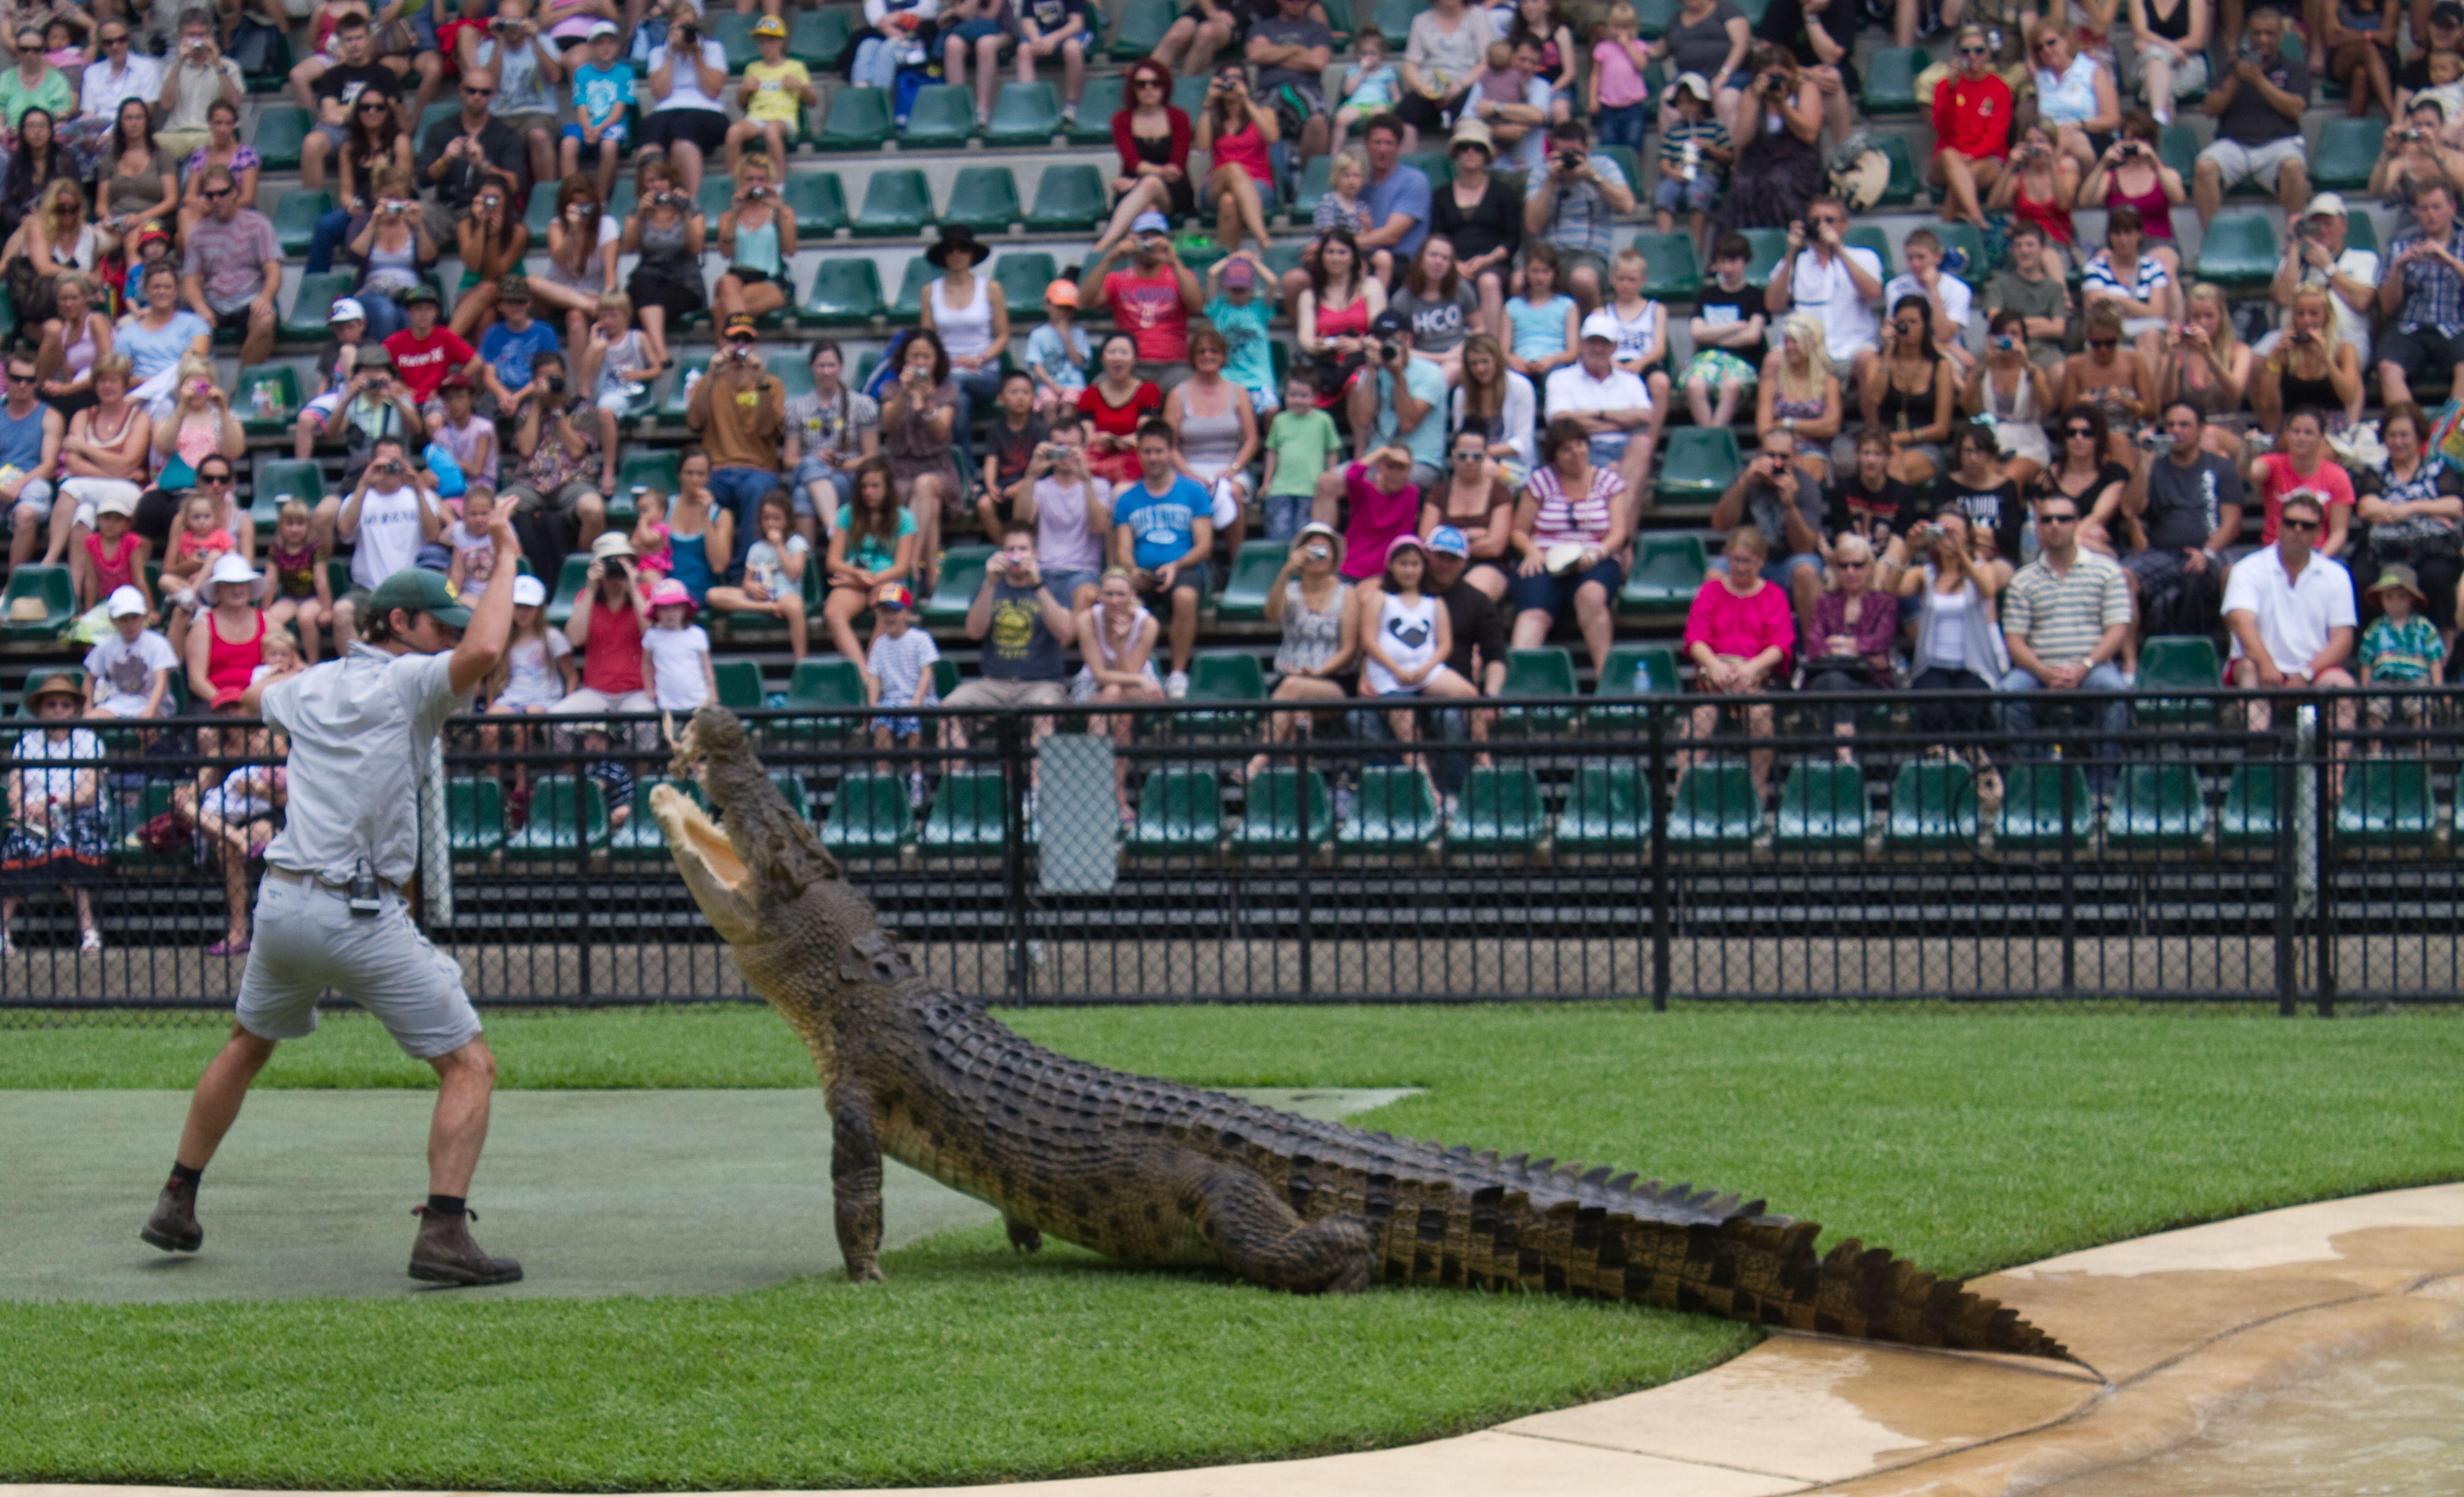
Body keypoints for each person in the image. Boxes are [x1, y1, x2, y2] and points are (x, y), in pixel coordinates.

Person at [146, 539, 524, 1283]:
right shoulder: (414, 681)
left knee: (246, 1045)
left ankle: (175, 1198)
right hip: (357, 911)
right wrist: (506, 553)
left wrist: (278, 674)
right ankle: (444, 1233)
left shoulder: (310, 688)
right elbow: (485, 646)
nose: (448, 633)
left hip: (283, 905)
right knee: (470, 1064)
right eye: (435, 622)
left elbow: (250, 697)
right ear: (399, 624)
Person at [1997, 493, 2133, 759]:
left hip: (2094, 668)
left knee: (2116, 693)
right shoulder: (2022, 580)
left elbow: (2117, 630)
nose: (2055, 525)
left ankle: (2102, 786)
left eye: (2064, 518)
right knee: (2006, 696)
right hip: (2038, 672)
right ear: (2038, 527)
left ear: (2077, 523)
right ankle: (2036, 775)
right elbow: (2014, 640)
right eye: (2047, 520)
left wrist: (2085, 667)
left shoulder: (2108, 571)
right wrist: (2044, 671)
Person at [2222, 492, 2357, 736]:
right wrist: (2267, 665)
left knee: (2344, 686)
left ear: (2318, 533)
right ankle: (2259, 757)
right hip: (2258, 665)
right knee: (2250, 670)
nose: (2297, 529)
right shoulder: (2248, 569)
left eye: (2307, 526)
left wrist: (2305, 674)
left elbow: (2343, 639)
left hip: (2315, 671)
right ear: (2278, 525)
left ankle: (2335, 773)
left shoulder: (2336, 575)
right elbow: (2242, 623)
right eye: (2290, 522)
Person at [1508, 415, 1631, 669]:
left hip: (1596, 556)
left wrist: (1595, 556)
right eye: (1566, 449)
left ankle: (1606, 680)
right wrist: (1531, 551)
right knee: (1533, 613)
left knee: (1591, 597)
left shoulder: (1608, 482)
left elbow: (1619, 533)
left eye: (1580, 445)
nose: (1576, 453)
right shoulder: (1541, 481)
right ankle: (1517, 684)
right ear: (1555, 455)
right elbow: (1519, 531)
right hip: (1545, 557)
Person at [0, 670, 106, 955]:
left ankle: (88, 930)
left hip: (78, 816)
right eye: (51, 705)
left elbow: (87, 794)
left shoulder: (88, 741)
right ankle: (3, 932)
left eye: (65, 705)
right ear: (40, 710)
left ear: (74, 709)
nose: (58, 710)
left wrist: (51, 803)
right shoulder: (27, 743)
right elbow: (14, 789)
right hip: (33, 820)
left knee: (64, 844)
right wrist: (22, 809)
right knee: (17, 846)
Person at [1681, 528, 1793, 794]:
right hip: (1716, 674)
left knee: (1760, 715)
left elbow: (1780, 645)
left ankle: (1758, 792)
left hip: (1759, 675)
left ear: (1760, 562)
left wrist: (1749, 670)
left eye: (1747, 561)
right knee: (1699, 721)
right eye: (1735, 560)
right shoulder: (1711, 592)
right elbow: (1695, 639)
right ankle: (1684, 792)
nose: (1740, 567)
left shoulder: (1774, 595)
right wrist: (1716, 667)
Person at [1358, 533, 1477, 782]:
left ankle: (1484, 759)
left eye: (1415, 564)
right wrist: (1395, 668)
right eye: (1403, 564)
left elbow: (1445, 644)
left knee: (1469, 694)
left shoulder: (1434, 602)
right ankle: (1428, 787)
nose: (1410, 570)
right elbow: (1368, 640)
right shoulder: (1381, 598)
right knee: (1407, 725)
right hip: (1389, 674)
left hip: (1426, 670)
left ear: (1424, 567)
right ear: (1391, 566)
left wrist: (1427, 668)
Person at [2121, 399, 2242, 635]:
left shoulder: (2221, 467)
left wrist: (2207, 553)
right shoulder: (2155, 466)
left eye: (2184, 425)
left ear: (2201, 430)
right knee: (2123, 577)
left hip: (2213, 551)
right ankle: (2130, 665)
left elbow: (2232, 523)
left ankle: (2232, 655)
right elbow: (2130, 509)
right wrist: (2146, 462)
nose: (2176, 431)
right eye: (2170, 425)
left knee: (2236, 575)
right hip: (2164, 554)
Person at [1112, 419, 1214, 697]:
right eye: (1148, 451)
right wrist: (1133, 571)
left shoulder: (1193, 491)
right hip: (1143, 572)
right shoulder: (1127, 499)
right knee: (1117, 598)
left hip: (1185, 568)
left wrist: (1176, 565)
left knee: (1184, 597)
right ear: (1139, 454)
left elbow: (1204, 546)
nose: (1154, 458)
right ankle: (1133, 671)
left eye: (1159, 451)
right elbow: (1123, 549)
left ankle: (1178, 673)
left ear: (1171, 452)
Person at [1248, 521, 1357, 778]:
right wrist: (1286, 572)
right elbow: (1271, 613)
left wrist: (1317, 673)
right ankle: (1304, 781)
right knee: (1300, 714)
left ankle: (1259, 760)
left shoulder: (1347, 593)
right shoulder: (1290, 590)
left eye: (1324, 550)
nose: (1318, 556)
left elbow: (1350, 648)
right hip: (1290, 679)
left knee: (1295, 688)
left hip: (1332, 682)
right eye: (1312, 550)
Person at [943, 521, 1077, 727]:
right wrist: (990, 584)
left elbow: (1064, 632)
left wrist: (1037, 585)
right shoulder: (987, 586)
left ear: (1036, 553)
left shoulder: (1054, 587)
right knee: (949, 710)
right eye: (1010, 549)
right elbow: (974, 633)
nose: (1017, 554)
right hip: (993, 683)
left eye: (1023, 549)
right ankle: (955, 761)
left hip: (1041, 684)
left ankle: (1036, 762)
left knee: (1044, 713)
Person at [2192, 6, 2311, 224]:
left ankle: (2295, 241)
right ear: (2248, 35)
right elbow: (2210, 109)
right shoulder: (2232, 69)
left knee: (2294, 166)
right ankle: (2213, 244)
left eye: (2269, 33)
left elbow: (2295, 109)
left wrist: (2259, 81)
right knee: (2204, 166)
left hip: (2278, 144)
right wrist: (2237, 77)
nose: (2263, 39)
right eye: (2257, 33)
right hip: (2234, 144)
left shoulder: (2294, 69)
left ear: (2280, 36)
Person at [1896, 516, 2009, 743]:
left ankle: (1970, 763)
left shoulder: (1981, 569)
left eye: (1954, 532)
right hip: (1934, 664)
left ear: (1967, 535)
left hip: (1973, 666)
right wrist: (1909, 548)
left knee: (1967, 711)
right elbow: (1896, 589)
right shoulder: (1924, 574)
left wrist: (1961, 554)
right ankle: (1938, 762)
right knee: (1934, 710)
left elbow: (1987, 590)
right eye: (1943, 532)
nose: (1948, 538)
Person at [2357, 404, 2464, 638]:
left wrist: (2409, 509)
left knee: (2436, 577)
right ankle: (2370, 645)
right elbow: (2366, 507)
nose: (2398, 442)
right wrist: (2429, 509)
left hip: (2433, 549)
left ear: (2418, 438)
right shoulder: (2376, 471)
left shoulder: (2438, 468)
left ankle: (2443, 646)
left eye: (2404, 435)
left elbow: (2455, 506)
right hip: (2384, 549)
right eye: (2392, 435)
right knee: (2362, 577)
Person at [919, 225, 1010, 490]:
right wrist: (946, 364)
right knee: (958, 396)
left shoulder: (991, 289)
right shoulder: (930, 291)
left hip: (985, 372)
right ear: (944, 256)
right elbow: (927, 339)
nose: (957, 254)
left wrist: (980, 358)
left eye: (963, 249)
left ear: (972, 254)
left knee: (956, 391)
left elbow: (1003, 336)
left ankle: (963, 474)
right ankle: (967, 477)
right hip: (947, 372)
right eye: (950, 250)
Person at [1715, 424, 1830, 628]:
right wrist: (1744, 484)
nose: (1777, 463)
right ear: (1759, 454)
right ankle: (1721, 648)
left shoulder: (1806, 485)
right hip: (1749, 560)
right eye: (1771, 455)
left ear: (1796, 458)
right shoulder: (1744, 477)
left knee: (1807, 570)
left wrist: (1790, 505)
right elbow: (1721, 525)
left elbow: (1805, 547)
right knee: (1715, 575)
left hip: (1788, 563)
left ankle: (1814, 651)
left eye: (1784, 457)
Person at [333, 437, 445, 645]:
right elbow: (345, 533)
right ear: (371, 463)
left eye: (396, 462)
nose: (391, 469)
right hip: (368, 591)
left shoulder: (420, 496)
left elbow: (433, 536)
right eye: (384, 463)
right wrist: (364, 485)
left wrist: (418, 489)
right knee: (341, 612)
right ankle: (354, 673)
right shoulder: (357, 498)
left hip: (412, 592)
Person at [1072, 568, 1165, 818]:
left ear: (1132, 595)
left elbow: (1130, 671)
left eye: (1121, 595)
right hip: (1095, 686)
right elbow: (1101, 676)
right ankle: (1118, 796)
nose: (1114, 601)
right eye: (1109, 594)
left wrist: (1121, 645)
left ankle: (1095, 790)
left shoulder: (1149, 624)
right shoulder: (1087, 620)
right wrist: (1139, 680)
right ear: (1100, 596)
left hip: (1133, 688)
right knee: (1118, 708)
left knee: (1116, 696)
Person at [880, 327, 964, 587]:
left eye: (926, 357)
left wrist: (927, 403)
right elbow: (887, 425)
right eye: (914, 356)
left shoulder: (947, 390)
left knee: (925, 484)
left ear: (936, 360)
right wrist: (905, 394)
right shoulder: (891, 388)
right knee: (930, 505)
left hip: (936, 468)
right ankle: (929, 579)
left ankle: (907, 567)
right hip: (900, 469)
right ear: (904, 359)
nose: (920, 363)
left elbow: (941, 432)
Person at [1164, 326, 1256, 557]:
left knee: (1233, 493)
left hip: (1230, 467)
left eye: (1214, 351)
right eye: (1201, 352)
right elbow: (1170, 446)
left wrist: (1233, 469)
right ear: (1193, 358)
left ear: (1223, 356)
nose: (1208, 356)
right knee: (1193, 493)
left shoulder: (1240, 393)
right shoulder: (1177, 395)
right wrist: (1190, 475)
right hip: (1188, 468)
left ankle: (1238, 564)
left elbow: (1252, 440)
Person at [1542, 311, 1656, 500]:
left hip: (1626, 448)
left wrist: (1594, 415)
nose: (1598, 349)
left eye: (1604, 343)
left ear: (1614, 348)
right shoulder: (1560, 378)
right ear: (1581, 344)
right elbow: (1560, 422)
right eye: (1592, 342)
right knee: (1625, 475)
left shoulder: (1631, 380)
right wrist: (1623, 422)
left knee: (1642, 445)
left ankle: (1618, 524)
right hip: (1583, 448)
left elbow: (1645, 417)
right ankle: (1622, 526)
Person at [1801, 532, 1898, 751]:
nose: (1850, 572)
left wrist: (1842, 645)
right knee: (1835, 682)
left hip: (1870, 682)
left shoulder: (1885, 602)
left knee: (1835, 688)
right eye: (1843, 566)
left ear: (1870, 567)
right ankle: (1845, 754)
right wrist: (1859, 651)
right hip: (1826, 678)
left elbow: (1881, 643)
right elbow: (1814, 645)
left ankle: (1831, 760)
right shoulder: (1825, 602)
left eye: (1858, 565)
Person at [1521, 119, 1631, 311]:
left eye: (1573, 153)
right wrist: (1550, 182)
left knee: (1582, 278)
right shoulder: (1541, 173)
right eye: (1561, 154)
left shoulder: (1603, 167)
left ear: (1587, 149)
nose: (1567, 160)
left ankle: (1592, 333)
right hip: (1551, 257)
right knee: (1517, 281)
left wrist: (1594, 178)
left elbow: (1628, 206)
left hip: (1591, 256)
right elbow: (1532, 225)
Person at [1768, 197, 1883, 378]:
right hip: (1804, 347)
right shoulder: (1797, 261)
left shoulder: (1863, 257)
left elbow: (1873, 293)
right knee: (1772, 361)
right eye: (1815, 221)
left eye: (1829, 220)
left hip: (1851, 346)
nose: (1822, 226)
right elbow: (1773, 305)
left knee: (1870, 362)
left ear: (1844, 226)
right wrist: (1790, 252)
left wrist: (1838, 250)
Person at [1078, 212, 1203, 380]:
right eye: (1144, 238)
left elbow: (1197, 306)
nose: (1149, 244)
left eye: (1155, 238)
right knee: (1099, 387)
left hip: (1174, 364)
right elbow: (1085, 301)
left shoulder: (1181, 275)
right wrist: (1110, 259)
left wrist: (1174, 261)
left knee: (1189, 391)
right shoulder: (1117, 279)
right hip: (1130, 364)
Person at [2375, 179, 2464, 410]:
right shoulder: (2401, 245)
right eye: (2424, 209)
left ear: (2452, 208)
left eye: (2437, 207)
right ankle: (2410, 430)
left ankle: (2449, 436)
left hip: (2455, 326)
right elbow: (2387, 307)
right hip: (2409, 328)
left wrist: (2451, 261)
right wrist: (2398, 268)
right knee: (2388, 368)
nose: (2431, 215)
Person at [2265, 195, 2382, 369]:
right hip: (2295, 337)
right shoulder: (2294, 260)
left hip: (2346, 337)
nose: (2322, 231)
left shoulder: (2363, 258)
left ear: (2344, 226)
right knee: (2259, 360)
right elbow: (2283, 298)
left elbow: (2363, 301)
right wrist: (2295, 244)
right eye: (2316, 225)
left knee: (2347, 359)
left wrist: (2328, 267)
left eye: (2328, 224)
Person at [823, 457, 919, 669]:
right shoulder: (847, 513)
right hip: (855, 579)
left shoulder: (905, 517)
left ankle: (874, 668)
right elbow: (832, 561)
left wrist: (868, 580)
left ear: (887, 488)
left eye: (875, 486)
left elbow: (902, 567)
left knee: (886, 611)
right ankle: (863, 674)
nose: (868, 492)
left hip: (890, 581)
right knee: (833, 612)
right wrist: (856, 575)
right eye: (864, 486)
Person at [179, 166, 279, 367]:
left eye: (222, 193)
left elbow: (273, 270)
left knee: (265, 321)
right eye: (210, 195)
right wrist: (201, 307)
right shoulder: (199, 233)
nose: (216, 200)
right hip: (214, 301)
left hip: (250, 298)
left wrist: (266, 298)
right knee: (187, 322)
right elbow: (191, 279)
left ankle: (242, 385)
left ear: (234, 192)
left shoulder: (258, 225)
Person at [1717, 44, 1823, 232]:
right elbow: (1742, 139)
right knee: (1743, 185)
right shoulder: (1752, 93)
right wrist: (1756, 98)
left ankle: (1788, 242)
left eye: (1780, 75)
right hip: (1759, 160)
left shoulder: (1806, 90)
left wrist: (1783, 104)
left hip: (1798, 162)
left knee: (1777, 183)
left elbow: (1809, 135)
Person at [1428, 121, 1520, 336]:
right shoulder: (1441, 195)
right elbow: (1436, 236)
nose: (1471, 152)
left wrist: (1486, 260)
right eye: (1464, 147)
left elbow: (1512, 239)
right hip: (1451, 262)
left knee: (1489, 281)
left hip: (1493, 262)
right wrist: (1454, 264)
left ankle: (1491, 347)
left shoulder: (1502, 192)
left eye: (1477, 148)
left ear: (1486, 154)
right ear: (1456, 152)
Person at [416, 67, 526, 244]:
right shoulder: (440, 130)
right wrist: (445, 161)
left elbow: (515, 186)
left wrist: (483, 165)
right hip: (447, 208)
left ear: (493, 95)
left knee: (506, 221)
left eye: (484, 92)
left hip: (487, 208)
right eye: (471, 91)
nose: (477, 96)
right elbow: (422, 179)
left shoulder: (506, 135)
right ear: (461, 90)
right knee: (416, 212)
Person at [557, 528, 654, 729]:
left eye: (622, 560)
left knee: (648, 725)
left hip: (638, 691)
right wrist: (592, 588)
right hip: (596, 692)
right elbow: (575, 639)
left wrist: (633, 588)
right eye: (611, 561)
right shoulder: (587, 597)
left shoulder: (645, 593)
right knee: (555, 722)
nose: (617, 566)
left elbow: (652, 634)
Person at [1093, 60, 1192, 252]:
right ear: (1134, 89)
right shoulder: (1121, 120)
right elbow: (1131, 162)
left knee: (1151, 184)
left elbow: (1176, 167)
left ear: (1164, 86)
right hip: (1133, 187)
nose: (1149, 89)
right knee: (1148, 205)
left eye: (1155, 83)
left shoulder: (1180, 118)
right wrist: (1142, 181)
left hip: (1173, 190)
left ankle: (1102, 247)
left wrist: (1140, 181)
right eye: (1141, 84)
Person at [637, 2, 729, 200]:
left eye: (690, 27)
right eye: (680, 27)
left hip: (707, 109)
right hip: (667, 108)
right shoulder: (658, 53)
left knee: (683, 129)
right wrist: (670, 54)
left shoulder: (713, 49)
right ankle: (650, 200)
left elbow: (713, 91)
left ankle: (690, 201)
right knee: (651, 132)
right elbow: (661, 93)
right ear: (671, 28)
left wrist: (697, 54)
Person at [298, 14, 399, 194]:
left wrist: (346, 111)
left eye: (359, 38)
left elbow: (389, 110)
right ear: (341, 43)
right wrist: (364, 109)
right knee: (312, 143)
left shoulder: (384, 74)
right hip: (341, 131)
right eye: (349, 39)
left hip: (375, 130)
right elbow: (329, 114)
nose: (354, 44)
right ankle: (314, 205)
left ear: (368, 38)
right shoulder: (332, 75)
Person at [1863, 296, 1957, 486]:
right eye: (1901, 323)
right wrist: (1888, 354)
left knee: (1891, 469)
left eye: (1913, 322)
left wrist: (1900, 438)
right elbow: (1874, 397)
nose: (1907, 328)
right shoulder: (1878, 360)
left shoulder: (1941, 366)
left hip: (1923, 444)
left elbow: (1942, 428)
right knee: (1880, 463)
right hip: (1883, 444)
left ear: (1925, 326)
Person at [2252, 287, 2365, 436]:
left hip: (2331, 428)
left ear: (2326, 316)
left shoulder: (2344, 350)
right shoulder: (2284, 352)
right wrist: (2275, 359)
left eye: (2314, 314)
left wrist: (2326, 359)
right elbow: (2266, 402)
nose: (2307, 320)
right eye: (2301, 314)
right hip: (2294, 428)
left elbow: (2349, 396)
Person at [1932, 27, 2013, 231]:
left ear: (1988, 54)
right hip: (1948, 159)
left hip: (1987, 159)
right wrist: (1952, 89)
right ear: (1957, 55)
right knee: (1952, 158)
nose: (1972, 56)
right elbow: (1941, 126)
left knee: (1959, 181)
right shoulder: (1945, 86)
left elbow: (1996, 136)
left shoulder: (2000, 88)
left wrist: (1972, 155)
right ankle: (1978, 217)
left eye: (1979, 50)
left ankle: (1946, 232)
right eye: (1966, 51)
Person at [2249, 406, 2357, 558]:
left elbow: (2339, 532)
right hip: (2273, 552)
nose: (2301, 437)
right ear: (2287, 435)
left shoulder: (2338, 476)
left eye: (2308, 433)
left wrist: (2317, 562)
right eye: (2296, 431)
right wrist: (2247, 450)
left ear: (2322, 438)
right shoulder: (2273, 465)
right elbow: (2249, 472)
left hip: (2318, 552)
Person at [1193, 63, 1278, 254]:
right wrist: (1208, 104)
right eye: (1226, 79)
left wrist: (1246, 101)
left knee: (1229, 202)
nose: (1232, 84)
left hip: (1258, 185)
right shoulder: (1213, 117)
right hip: (1217, 182)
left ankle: (1228, 266)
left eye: (1238, 78)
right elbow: (1201, 146)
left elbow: (1272, 137)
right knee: (1233, 168)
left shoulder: (1264, 113)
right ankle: (1264, 242)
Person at [1294, 226, 1385, 401]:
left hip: (1363, 358)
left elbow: (1379, 331)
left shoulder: (1371, 287)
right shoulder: (1309, 296)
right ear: (1322, 256)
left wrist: (1359, 344)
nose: (1336, 258)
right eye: (1330, 252)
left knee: (1358, 380)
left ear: (1353, 258)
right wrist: (1317, 346)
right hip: (1327, 361)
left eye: (1342, 252)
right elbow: (1305, 337)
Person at [1685, 234, 1765, 429]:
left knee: (1730, 386)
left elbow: (1752, 336)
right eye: (1722, 261)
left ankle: (1713, 437)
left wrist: (1711, 336)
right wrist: (1735, 328)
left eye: (1733, 261)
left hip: (1742, 362)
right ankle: (1712, 436)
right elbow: (1696, 333)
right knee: (1694, 385)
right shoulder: (1706, 294)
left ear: (1745, 261)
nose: (1727, 268)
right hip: (1706, 359)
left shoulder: (1756, 296)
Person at [1967, 311, 2054, 488]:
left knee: (2009, 478)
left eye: (2014, 334)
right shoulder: (1982, 371)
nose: (2008, 339)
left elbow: (2047, 408)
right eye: (2002, 335)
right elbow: (1968, 407)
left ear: (2024, 339)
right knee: (1986, 474)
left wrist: (2026, 363)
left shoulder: (2033, 372)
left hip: (2028, 442)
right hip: (1991, 439)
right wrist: (1984, 365)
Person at [2162, 283, 2251, 455]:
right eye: (2196, 316)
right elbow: (2167, 399)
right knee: (2219, 454)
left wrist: (2209, 356)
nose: (2203, 323)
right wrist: (2172, 355)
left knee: (2209, 436)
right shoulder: (2180, 354)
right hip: (2187, 432)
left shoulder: (2239, 351)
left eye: (2209, 316)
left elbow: (2235, 392)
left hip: (2229, 430)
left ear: (2221, 317)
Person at [2036, 403, 2132, 563]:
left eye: (2087, 433)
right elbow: (2042, 531)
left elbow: (2097, 518)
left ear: (2098, 438)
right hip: (2065, 553)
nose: (2078, 438)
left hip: (2100, 557)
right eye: (2071, 433)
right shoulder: (2045, 479)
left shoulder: (2114, 474)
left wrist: (2070, 539)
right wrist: (2088, 540)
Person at [2080, 204, 2176, 362]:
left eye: (2128, 233)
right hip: (2109, 332)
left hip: (2146, 331)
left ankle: (2146, 388)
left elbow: (2157, 311)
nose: (2123, 240)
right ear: (2110, 236)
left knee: (2151, 336)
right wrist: (2140, 309)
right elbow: (2094, 310)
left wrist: (2116, 300)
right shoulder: (2095, 267)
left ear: (2139, 234)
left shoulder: (2153, 267)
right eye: (2117, 233)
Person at [2357, 565, 2442, 734]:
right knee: (2375, 710)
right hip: (2383, 681)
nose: (2395, 603)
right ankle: (2376, 753)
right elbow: (2366, 662)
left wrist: (2439, 689)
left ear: (2412, 599)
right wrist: (2364, 692)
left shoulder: (2425, 628)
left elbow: (2435, 660)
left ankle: (2423, 753)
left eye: (2402, 597)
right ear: (2381, 599)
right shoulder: (2375, 629)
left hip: (2417, 681)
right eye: (2389, 597)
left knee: (2422, 708)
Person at [2056, 307, 2158, 448]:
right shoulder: (2076, 364)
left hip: (2128, 432)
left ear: (2118, 338)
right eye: (2096, 344)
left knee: (2120, 443)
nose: (2103, 349)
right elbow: (2066, 414)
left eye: (2110, 343)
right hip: (2089, 435)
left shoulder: (2135, 360)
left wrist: (2127, 403)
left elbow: (2151, 413)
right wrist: (2080, 406)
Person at [725, 16, 812, 179]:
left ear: (781, 42)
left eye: (770, 41)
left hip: (784, 117)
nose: (765, 46)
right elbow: (743, 104)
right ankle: (734, 184)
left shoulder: (796, 67)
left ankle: (779, 185)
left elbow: (813, 101)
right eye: (761, 42)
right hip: (756, 117)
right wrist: (743, 91)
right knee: (733, 133)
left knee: (771, 131)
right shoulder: (752, 68)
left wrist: (800, 87)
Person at [1759, 312, 1843, 479]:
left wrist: (1786, 423)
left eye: (1795, 342)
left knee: (1804, 470)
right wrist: (1811, 428)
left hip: (1814, 449)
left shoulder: (1828, 383)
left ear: (1810, 344)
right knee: (1779, 465)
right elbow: (1764, 429)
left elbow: (1831, 427)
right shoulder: (1772, 382)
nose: (1789, 347)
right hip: (1776, 449)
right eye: (1786, 342)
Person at [0, 346, 62, 568]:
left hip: (31, 481)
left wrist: (17, 485)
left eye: (30, 380)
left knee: (26, 514)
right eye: (17, 379)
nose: (23, 385)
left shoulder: (49, 416)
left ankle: (13, 586)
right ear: (6, 378)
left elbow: (49, 466)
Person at [1246, 0, 1332, 159]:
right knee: (1250, 121)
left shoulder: (1318, 30)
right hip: (1268, 91)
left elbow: (1317, 62)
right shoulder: (1262, 27)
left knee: (1318, 122)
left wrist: (1274, 56)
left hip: (1306, 88)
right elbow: (1257, 54)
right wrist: (1297, 50)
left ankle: (1310, 178)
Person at [1260, 371, 1339, 542]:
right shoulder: (1280, 421)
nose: (1297, 400)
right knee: (1279, 534)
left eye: (1303, 396)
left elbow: (1332, 450)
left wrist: (1330, 475)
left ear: (1315, 397)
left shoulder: (1323, 420)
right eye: (1292, 395)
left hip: (1310, 488)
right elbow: (1272, 452)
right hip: (1281, 489)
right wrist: (1267, 482)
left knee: (1304, 537)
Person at [1076, 330, 1162, 486]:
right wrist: (1100, 439)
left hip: (1134, 457)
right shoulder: (1090, 394)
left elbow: (1145, 433)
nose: (1117, 358)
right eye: (1112, 352)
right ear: (1102, 359)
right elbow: (1087, 437)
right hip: (1098, 456)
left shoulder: (1148, 391)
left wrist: (1127, 441)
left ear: (1135, 359)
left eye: (1124, 352)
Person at [2030, 29, 2119, 175]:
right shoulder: (2041, 78)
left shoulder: (2092, 70)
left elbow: (2113, 119)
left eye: (2051, 43)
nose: (2046, 50)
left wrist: (2079, 125)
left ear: (2066, 41)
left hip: (2091, 135)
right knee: (2068, 165)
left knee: (2074, 140)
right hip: (2053, 138)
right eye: (2040, 48)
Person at [1654, 72, 1732, 239]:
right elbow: (1664, 162)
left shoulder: (1715, 127)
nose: (1686, 107)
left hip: (1705, 174)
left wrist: (1709, 147)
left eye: (1691, 102)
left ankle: (1695, 250)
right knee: (1664, 192)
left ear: (1703, 103)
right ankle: (1665, 242)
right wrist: (1675, 173)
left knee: (1697, 195)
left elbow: (1729, 156)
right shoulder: (1674, 130)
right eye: (1681, 103)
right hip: (1678, 174)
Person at [1201, 252, 1278, 415]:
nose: (1238, 294)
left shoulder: (1260, 309)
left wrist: (1253, 261)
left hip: (1257, 378)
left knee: (1271, 410)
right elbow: (1212, 274)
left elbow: (1273, 282)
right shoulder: (1219, 308)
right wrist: (1231, 259)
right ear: (1226, 289)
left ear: (1251, 288)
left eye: (1243, 290)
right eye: (1234, 290)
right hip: (1227, 377)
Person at [562, 20, 632, 197]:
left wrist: (599, 128)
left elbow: (619, 108)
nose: (606, 48)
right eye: (600, 43)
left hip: (612, 124)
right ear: (591, 47)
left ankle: (600, 197)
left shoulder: (625, 72)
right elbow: (581, 106)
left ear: (618, 45)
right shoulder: (582, 73)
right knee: (568, 144)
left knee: (609, 145)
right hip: (588, 124)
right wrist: (588, 128)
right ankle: (571, 195)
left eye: (611, 42)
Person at [1996, 122, 2083, 261]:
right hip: (2024, 248)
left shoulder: (2066, 170)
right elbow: (1995, 204)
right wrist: (2010, 165)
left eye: (2041, 141)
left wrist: (2051, 165)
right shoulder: (2017, 179)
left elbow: (2064, 205)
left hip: (2058, 247)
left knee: (2048, 256)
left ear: (2052, 144)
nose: (2035, 147)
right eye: (2030, 142)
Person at [1658, 0, 1751, 130]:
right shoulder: (1676, 19)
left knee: (1727, 99)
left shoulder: (1727, 11)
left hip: (1730, 75)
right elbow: (1660, 50)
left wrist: (1724, 73)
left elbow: (1741, 45)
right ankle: (1674, 148)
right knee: (1668, 97)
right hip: (1690, 78)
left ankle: (1731, 149)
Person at [86, 584, 176, 718]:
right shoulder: (106, 646)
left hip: (153, 705)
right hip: (116, 704)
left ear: (143, 617)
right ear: (113, 621)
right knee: (89, 720)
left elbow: (161, 682)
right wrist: (87, 708)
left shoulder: (158, 643)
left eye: (135, 618)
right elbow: (89, 679)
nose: (130, 624)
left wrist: (149, 712)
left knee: (148, 727)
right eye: (124, 619)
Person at [1024, 279, 1091, 421]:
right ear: (1048, 305)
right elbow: (1036, 366)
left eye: (1069, 308)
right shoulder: (1038, 334)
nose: (1064, 312)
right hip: (1048, 383)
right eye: (1060, 307)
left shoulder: (1078, 333)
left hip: (1074, 384)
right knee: (1049, 406)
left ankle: (1065, 437)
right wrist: (1053, 386)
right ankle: (1052, 438)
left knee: (1069, 406)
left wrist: (1067, 337)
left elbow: (1079, 362)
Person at [1332, 31, 1400, 155]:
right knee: (1341, 118)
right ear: (1358, 54)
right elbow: (1348, 91)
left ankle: (1375, 152)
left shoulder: (1387, 71)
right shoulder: (1354, 70)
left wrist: (1397, 107)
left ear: (1382, 55)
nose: (1368, 57)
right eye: (1364, 54)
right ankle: (1335, 153)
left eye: (1373, 54)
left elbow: (1396, 96)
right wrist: (1362, 71)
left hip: (1379, 104)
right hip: (1356, 105)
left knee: (1380, 116)